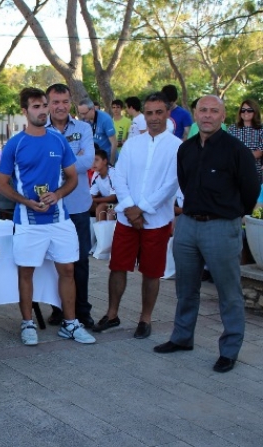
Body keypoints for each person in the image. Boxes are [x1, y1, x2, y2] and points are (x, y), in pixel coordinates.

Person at [154, 95, 259, 373]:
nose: (208, 115)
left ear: (223, 116)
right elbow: (185, 183)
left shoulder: (236, 150)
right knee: (185, 288)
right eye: (203, 110)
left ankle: (229, 350)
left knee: (228, 292)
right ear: (196, 114)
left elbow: (249, 190)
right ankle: (182, 337)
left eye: (214, 111)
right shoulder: (186, 149)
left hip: (222, 227)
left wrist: (231, 215)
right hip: (188, 224)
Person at [0, 87, 96, 346]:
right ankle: (28, 323)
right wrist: (25, 201)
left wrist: (58, 194)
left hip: (60, 219)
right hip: (28, 223)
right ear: (25, 111)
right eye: (36, 107)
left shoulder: (59, 140)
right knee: (26, 273)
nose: (42, 111)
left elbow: (73, 177)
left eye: (44, 105)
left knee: (67, 270)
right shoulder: (15, 144)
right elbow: (2, 183)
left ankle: (70, 323)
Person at [92, 92, 181, 339]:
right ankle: (111, 314)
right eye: (149, 113)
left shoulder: (177, 147)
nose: (153, 118)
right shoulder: (132, 144)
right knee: (117, 266)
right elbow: (118, 176)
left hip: (157, 220)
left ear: (167, 113)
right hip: (126, 219)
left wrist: (140, 209)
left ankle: (145, 319)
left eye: (158, 112)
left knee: (152, 271)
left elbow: (170, 185)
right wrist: (130, 208)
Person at [45, 83, 95, 327]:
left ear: (71, 103)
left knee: (80, 261)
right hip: (50, 208)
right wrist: (70, 165)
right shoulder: (39, 131)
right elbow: (38, 164)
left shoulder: (83, 127)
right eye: (55, 102)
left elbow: (88, 160)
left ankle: (83, 312)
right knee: (56, 262)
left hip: (77, 206)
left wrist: (56, 164)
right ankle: (59, 309)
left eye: (64, 101)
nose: (60, 106)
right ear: (48, 104)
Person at [228, 99, 263, 183]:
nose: (245, 112)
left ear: (255, 111)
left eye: (249, 110)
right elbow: (228, 149)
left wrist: (241, 158)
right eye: (243, 110)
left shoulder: (261, 129)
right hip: (235, 171)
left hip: (255, 171)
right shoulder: (232, 129)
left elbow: (260, 151)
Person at [77, 98, 117, 164]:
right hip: (94, 159)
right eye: (80, 113)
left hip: (107, 158)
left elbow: (114, 143)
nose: (82, 116)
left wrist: (111, 163)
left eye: (84, 113)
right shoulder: (84, 120)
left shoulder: (105, 119)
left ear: (92, 109)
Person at [90, 148, 117, 221]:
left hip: (119, 203)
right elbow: (92, 194)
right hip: (107, 203)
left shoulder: (113, 173)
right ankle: (96, 231)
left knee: (107, 210)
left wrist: (93, 199)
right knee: (87, 206)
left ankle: (108, 232)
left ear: (105, 161)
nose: (93, 163)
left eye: (96, 160)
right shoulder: (96, 174)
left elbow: (113, 198)